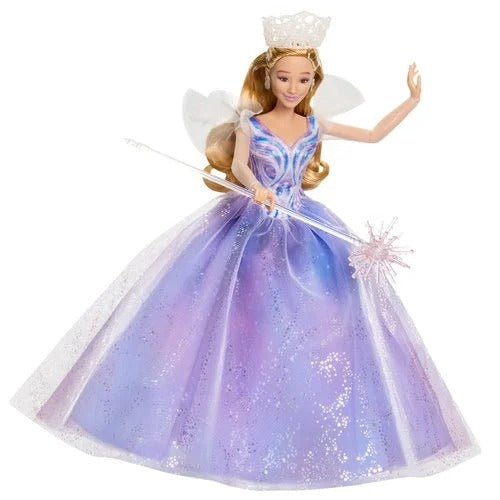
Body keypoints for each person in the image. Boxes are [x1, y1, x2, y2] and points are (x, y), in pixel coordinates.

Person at [9, 10, 480, 490]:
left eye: (303, 79)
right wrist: (256, 187)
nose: (293, 87)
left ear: (314, 81)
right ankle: (227, 426)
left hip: (305, 229)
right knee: (237, 318)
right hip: (251, 230)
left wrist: (412, 101)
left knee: (325, 317)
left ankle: (303, 421)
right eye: (284, 77)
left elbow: (374, 135)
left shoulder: (314, 125)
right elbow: (239, 166)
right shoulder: (250, 125)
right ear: (268, 77)